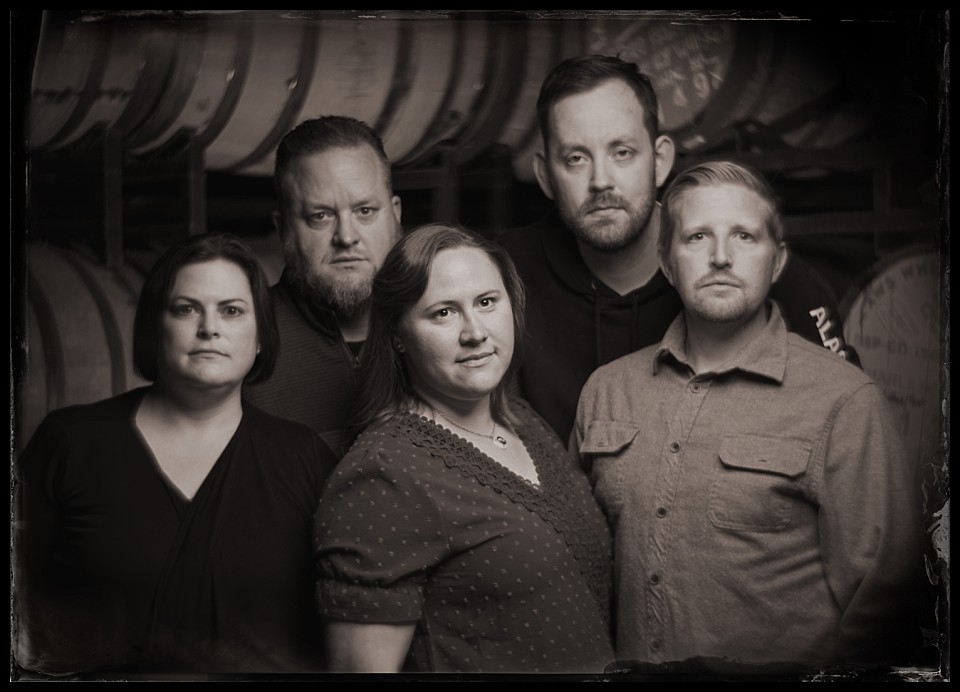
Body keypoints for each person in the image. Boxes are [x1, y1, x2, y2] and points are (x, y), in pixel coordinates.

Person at [573, 161, 923, 672]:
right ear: (667, 263)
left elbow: (887, 605)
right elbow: (571, 567)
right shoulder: (606, 392)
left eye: (743, 235)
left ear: (776, 261)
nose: (720, 257)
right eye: (696, 237)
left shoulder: (844, 401)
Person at [13, 233, 337, 677]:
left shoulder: (304, 458)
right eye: (186, 309)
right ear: (154, 326)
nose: (209, 328)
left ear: (261, 336)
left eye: (232, 310)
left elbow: (344, 619)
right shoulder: (70, 443)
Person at [498, 54, 858, 444]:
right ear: (545, 176)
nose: (601, 180)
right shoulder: (500, 275)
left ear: (660, 160)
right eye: (575, 158)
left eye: (622, 152)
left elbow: (848, 423)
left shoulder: (753, 271)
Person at [313, 223, 615, 674]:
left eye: (487, 303)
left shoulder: (527, 424)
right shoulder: (383, 473)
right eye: (443, 313)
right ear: (397, 334)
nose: (475, 331)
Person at [243, 115, 404, 456]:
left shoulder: (446, 332)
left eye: (365, 210)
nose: (346, 237)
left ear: (395, 215)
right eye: (320, 216)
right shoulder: (242, 342)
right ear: (283, 227)